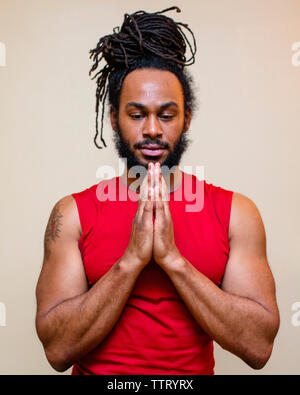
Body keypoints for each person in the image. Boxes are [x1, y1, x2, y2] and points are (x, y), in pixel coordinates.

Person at [35, 6, 280, 375]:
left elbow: (259, 347)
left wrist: (172, 260)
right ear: (114, 119)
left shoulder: (236, 213)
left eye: (166, 115)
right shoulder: (71, 214)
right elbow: (56, 350)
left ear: (186, 118)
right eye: (136, 114)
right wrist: (132, 260)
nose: (152, 129)